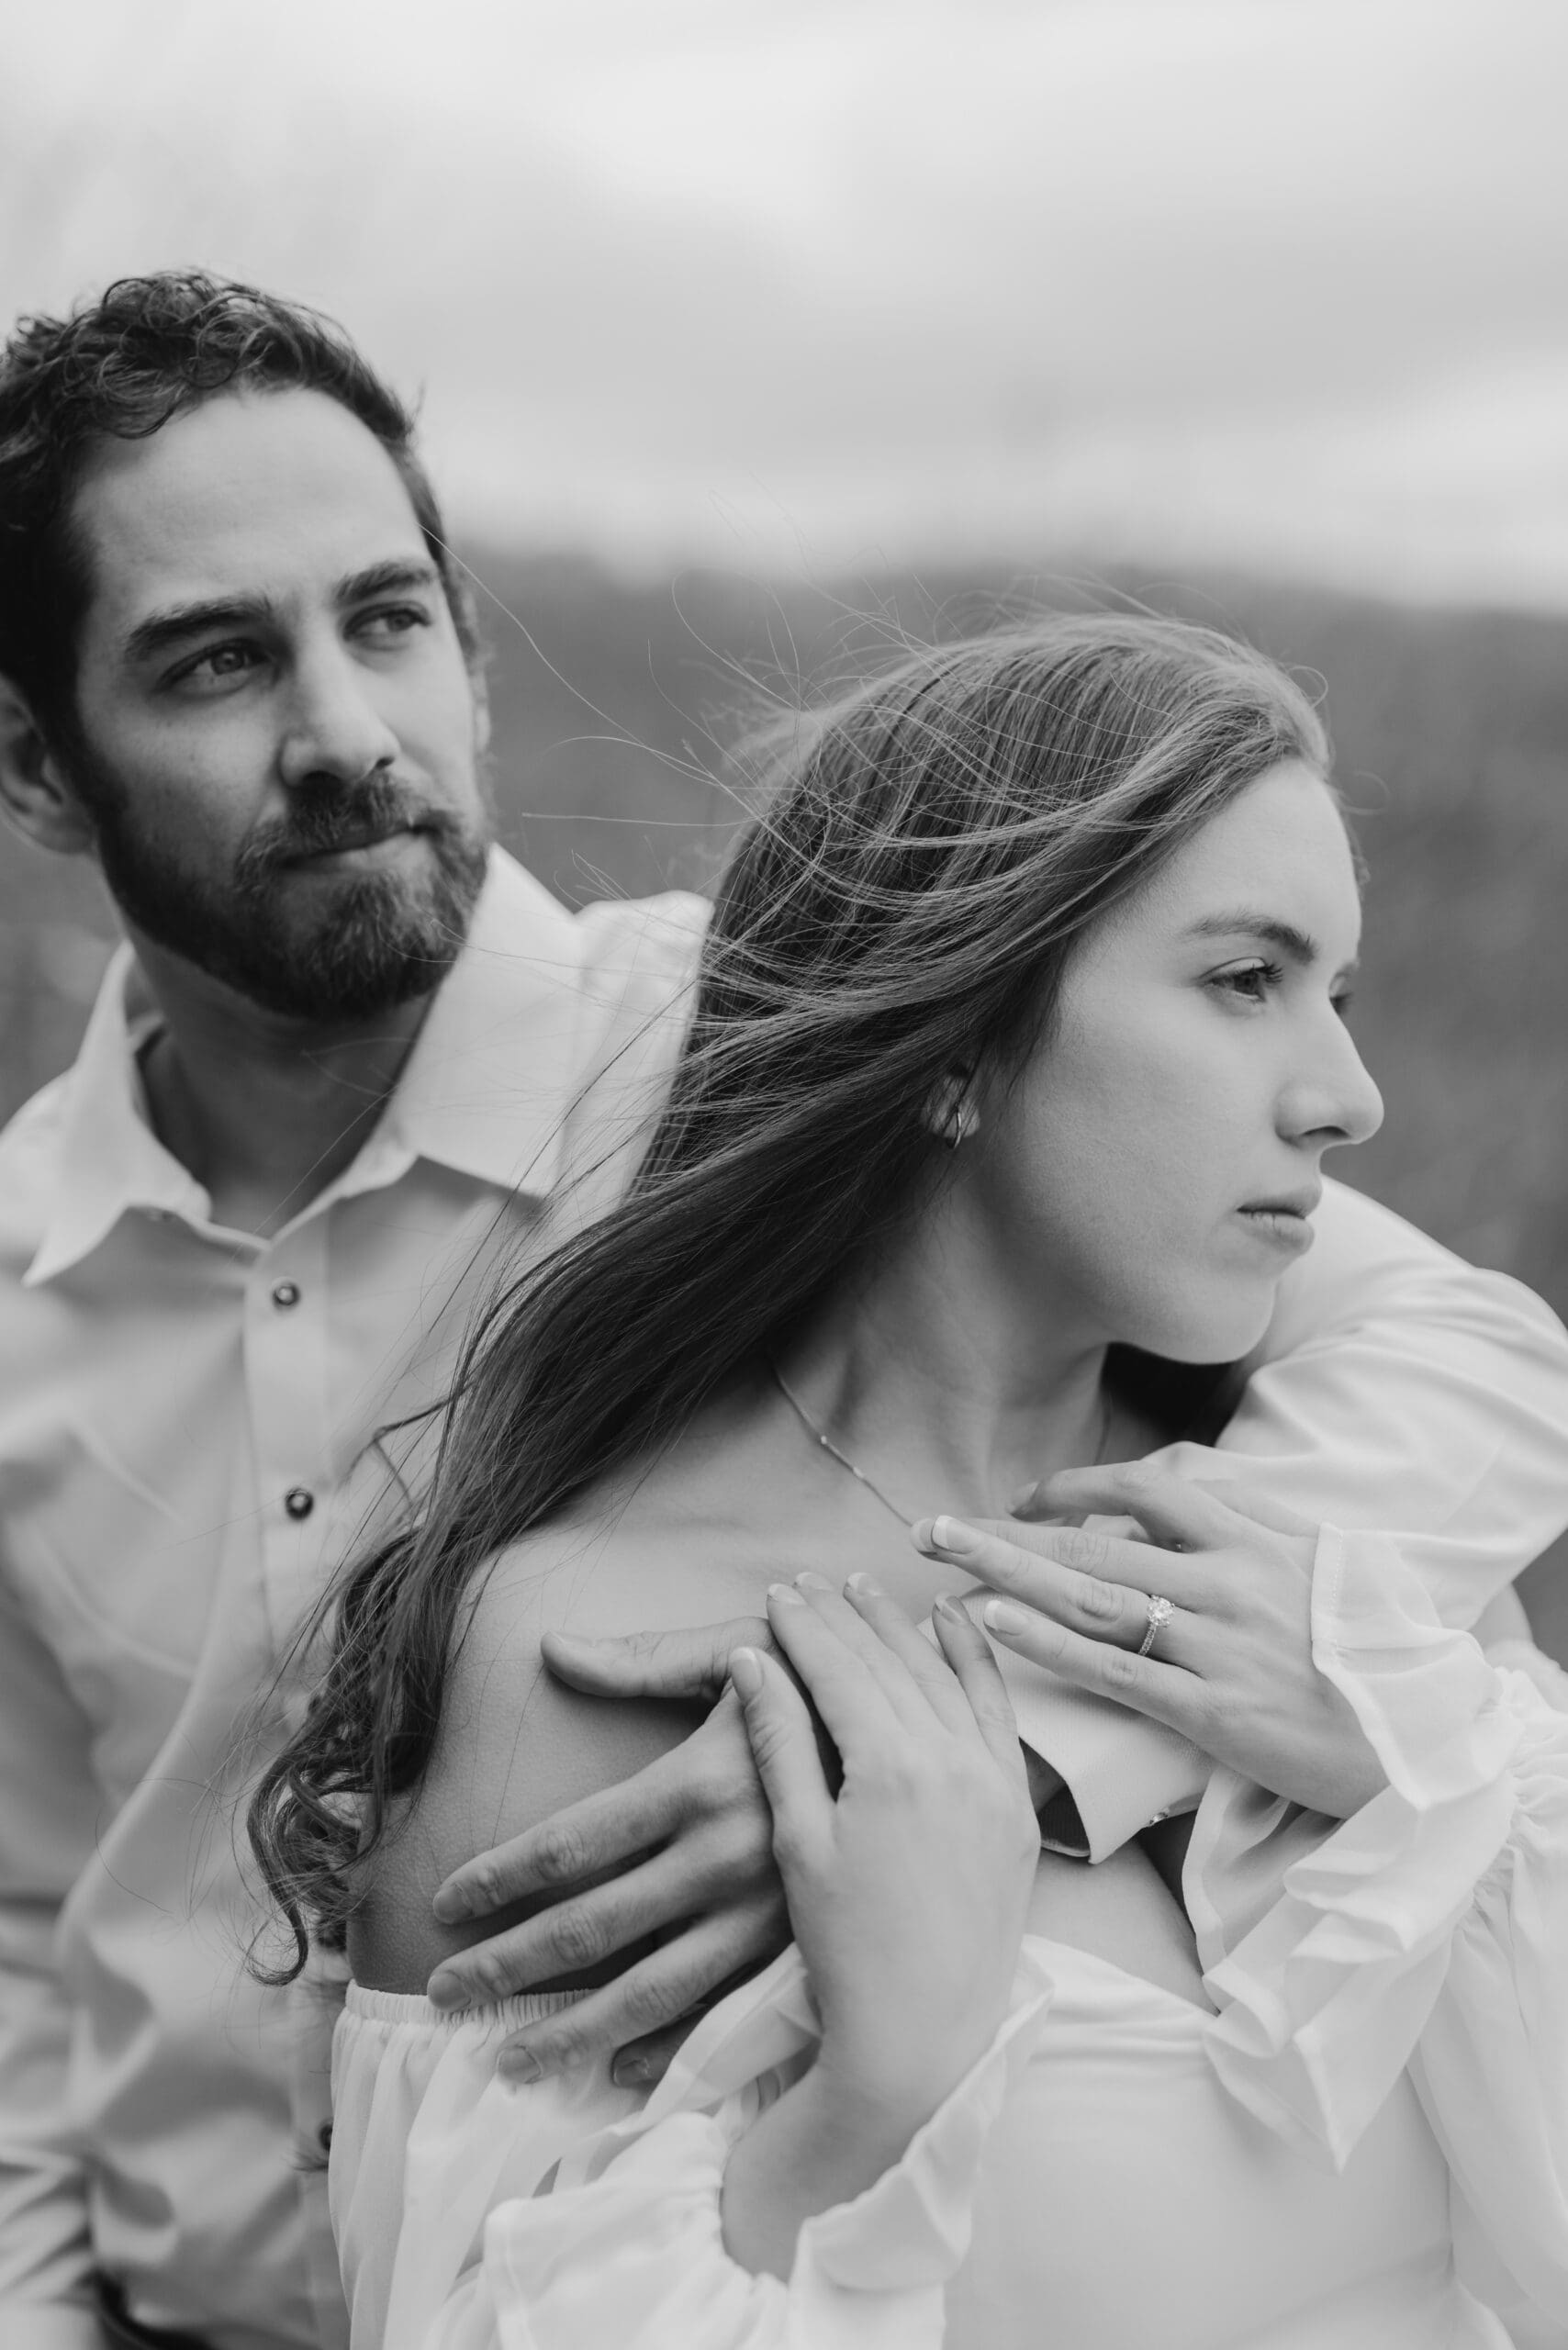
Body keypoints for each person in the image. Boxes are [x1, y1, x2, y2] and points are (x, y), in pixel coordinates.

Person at [0, 270, 1561, 2350]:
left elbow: (1475, 1351)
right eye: (212, 660)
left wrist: (1001, 1703)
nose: (345, 731)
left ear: (468, 640)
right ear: (37, 764)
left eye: (386, 618)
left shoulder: (740, 1042)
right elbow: (22, 1934)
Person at [252, 620, 1568, 2347]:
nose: (1349, 1098)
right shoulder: (585, 1672)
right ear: (953, 1041)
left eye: (1339, 993)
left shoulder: (1325, 1556)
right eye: (1244, 981)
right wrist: (875, 2092)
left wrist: (1422, 1762)